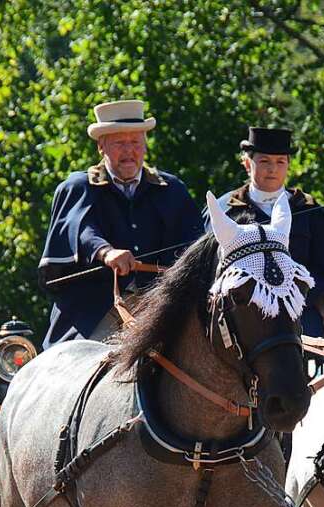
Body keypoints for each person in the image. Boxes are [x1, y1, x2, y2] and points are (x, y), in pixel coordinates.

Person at [37, 99, 204, 346]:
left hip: (161, 304)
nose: (129, 151)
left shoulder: (172, 190)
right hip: (95, 309)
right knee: (74, 365)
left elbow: (194, 248)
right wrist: (105, 252)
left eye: (135, 142)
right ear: (101, 147)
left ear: (145, 145)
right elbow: (81, 229)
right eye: (119, 143)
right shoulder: (79, 187)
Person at [213, 126, 324, 337]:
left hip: (300, 312)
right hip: (240, 316)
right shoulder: (224, 211)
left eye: (280, 162)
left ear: (288, 166)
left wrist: (289, 297)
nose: (272, 169)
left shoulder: (310, 212)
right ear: (247, 163)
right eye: (264, 161)